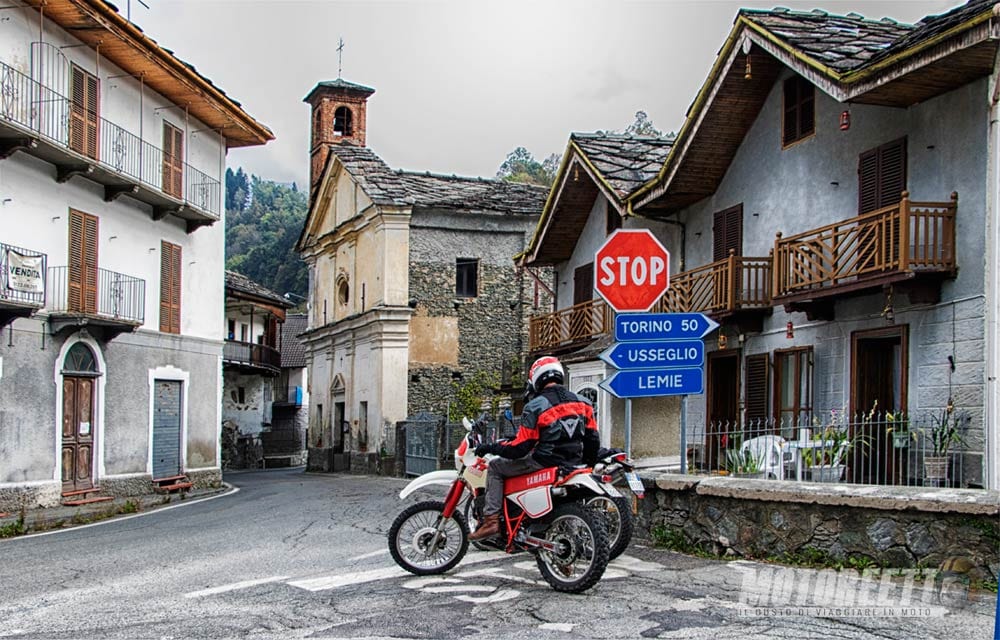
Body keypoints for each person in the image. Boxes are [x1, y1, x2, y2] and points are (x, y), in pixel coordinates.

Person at [469, 355, 600, 541]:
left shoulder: (535, 406)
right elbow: (593, 440)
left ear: (536, 378)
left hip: (544, 461)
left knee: (496, 467)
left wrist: (491, 447)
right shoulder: (583, 403)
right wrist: (587, 463)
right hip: (573, 463)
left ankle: (491, 522)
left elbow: (520, 448)